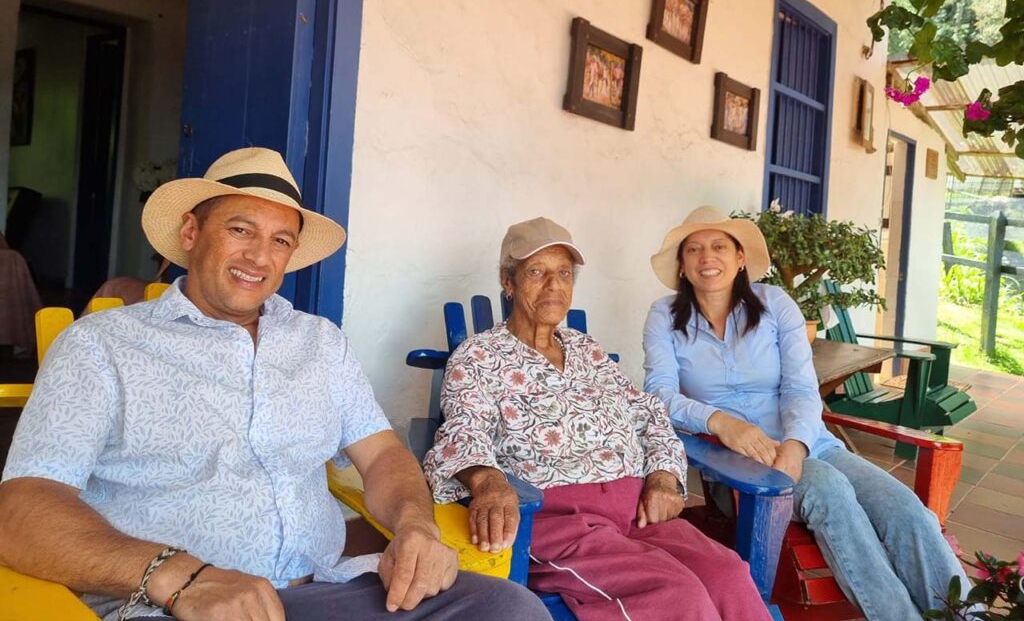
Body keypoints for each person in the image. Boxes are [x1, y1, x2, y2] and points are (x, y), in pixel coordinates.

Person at [0, 148, 547, 621]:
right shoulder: (102, 346)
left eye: (280, 240)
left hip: (326, 592)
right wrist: (179, 577)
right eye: (240, 230)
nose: (259, 257)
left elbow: (382, 454)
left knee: (509, 608)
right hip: (172, 604)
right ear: (190, 233)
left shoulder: (320, 342)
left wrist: (416, 526)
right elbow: (23, 507)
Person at [423, 217, 770, 621]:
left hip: (637, 513)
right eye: (536, 272)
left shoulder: (587, 349)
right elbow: (462, 430)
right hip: (559, 523)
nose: (553, 285)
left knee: (728, 574)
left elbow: (649, 414)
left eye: (564, 273)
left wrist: (662, 478)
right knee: (675, 594)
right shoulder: (478, 356)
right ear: (508, 282)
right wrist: (488, 482)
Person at [641, 205, 971, 621]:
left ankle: (969, 615)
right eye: (694, 249)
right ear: (683, 265)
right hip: (737, 460)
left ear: (740, 258)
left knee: (905, 509)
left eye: (719, 246)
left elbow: (801, 387)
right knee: (829, 491)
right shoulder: (665, 316)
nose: (707, 257)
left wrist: (796, 447)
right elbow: (659, 395)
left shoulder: (774, 304)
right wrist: (720, 422)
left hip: (813, 445)